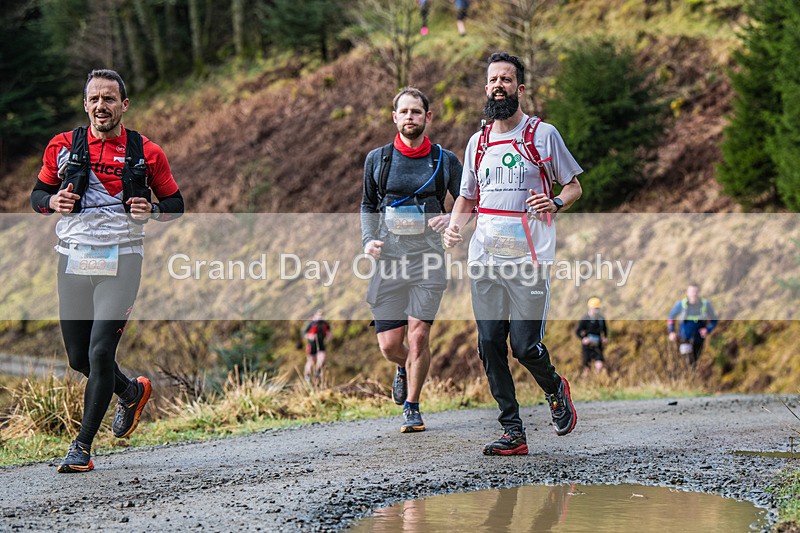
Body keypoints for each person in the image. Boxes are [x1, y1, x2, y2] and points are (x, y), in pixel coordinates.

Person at [30, 69, 184, 473]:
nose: (102, 105)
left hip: (122, 260)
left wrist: (153, 210)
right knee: (79, 358)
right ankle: (130, 392)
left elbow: (176, 205)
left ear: (124, 105)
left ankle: (81, 447)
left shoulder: (147, 152)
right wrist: (52, 203)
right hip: (73, 259)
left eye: (109, 99)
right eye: (95, 99)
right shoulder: (62, 146)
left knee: (100, 353)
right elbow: (37, 194)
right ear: (85, 105)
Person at [443, 52, 582, 455]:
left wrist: (555, 202)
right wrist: (455, 226)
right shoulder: (478, 142)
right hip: (485, 259)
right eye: (492, 80)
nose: (498, 86)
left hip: (529, 261)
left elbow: (574, 186)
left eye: (506, 79)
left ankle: (555, 388)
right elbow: (467, 197)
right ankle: (512, 431)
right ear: (486, 88)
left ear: (519, 88)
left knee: (523, 346)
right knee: (489, 343)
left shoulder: (543, 135)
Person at [361, 87, 463, 433]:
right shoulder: (378, 159)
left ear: (427, 117)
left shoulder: (444, 160)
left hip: (429, 260)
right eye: (404, 112)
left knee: (418, 337)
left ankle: (412, 407)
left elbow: (468, 201)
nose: (410, 117)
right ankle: (404, 367)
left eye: (416, 112)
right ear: (394, 117)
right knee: (390, 345)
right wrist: (368, 241)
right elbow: (367, 204)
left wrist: (452, 220)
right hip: (389, 260)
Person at [667, 283, 718, 365]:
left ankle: (692, 372)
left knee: (695, 362)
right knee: (687, 361)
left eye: (695, 291)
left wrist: (707, 329)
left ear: (699, 292)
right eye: (691, 291)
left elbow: (714, 320)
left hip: (699, 339)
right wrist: (671, 331)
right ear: (687, 292)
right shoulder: (681, 304)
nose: (693, 294)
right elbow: (671, 317)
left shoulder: (705, 304)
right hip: (684, 338)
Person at [575, 297, 608, 375]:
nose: (596, 310)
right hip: (587, 347)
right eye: (595, 308)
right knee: (587, 368)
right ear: (590, 308)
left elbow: (605, 329)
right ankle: (585, 380)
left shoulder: (601, 319)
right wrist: (583, 339)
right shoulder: (585, 319)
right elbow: (578, 331)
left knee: (599, 366)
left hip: (598, 345)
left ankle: (597, 380)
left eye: (597, 308)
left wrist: (605, 338)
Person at [302, 310, 332, 385]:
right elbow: (304, 333)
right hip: (311, 345)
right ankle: (307, 376)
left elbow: (328, 332)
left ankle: (317, 372)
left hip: (321, 344)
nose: (320, 316)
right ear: (315, 315)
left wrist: (329, 336)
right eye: (319, 314)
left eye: (321, 315)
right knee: (311, 361)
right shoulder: (310, 323)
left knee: (322, 358)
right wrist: (309, 336)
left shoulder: (324, 323)